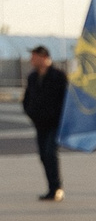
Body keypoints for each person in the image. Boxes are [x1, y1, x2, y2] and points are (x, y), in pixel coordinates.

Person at [21, 45, 66, 201]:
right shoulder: (32, 77)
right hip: (40, 124)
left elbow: (66, 101)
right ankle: (51, 188)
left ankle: (57, 188)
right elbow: (27, 98)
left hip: (55, 123)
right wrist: (30, 112)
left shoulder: (58, 76)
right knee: (43, 156)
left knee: (50, 152)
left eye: (34, 57)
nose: (31, 60)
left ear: (43, 57)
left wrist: (59, 116)